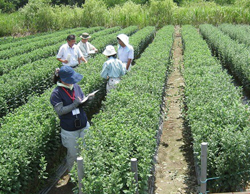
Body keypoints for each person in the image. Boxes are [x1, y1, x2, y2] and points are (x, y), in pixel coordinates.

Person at [50, 66, 90, 174]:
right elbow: (60, 111)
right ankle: (74, 176)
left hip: (83, 124)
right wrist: (74, 104)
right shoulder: (56, 93)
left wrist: (86, 100)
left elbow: (81, 98)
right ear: (62, 79)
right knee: (73, 154)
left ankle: (86, 173)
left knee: (87, 149)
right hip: (70, 130)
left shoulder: (76, 86)